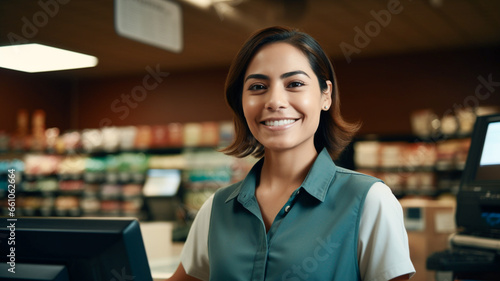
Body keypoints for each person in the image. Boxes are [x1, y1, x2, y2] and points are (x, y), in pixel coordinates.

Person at [168, 26, 415, 281]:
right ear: (241, 102)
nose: (275, 101)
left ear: (325, 95)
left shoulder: (370, 201)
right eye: (257, 86)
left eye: (295, 84)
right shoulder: (216, 208)